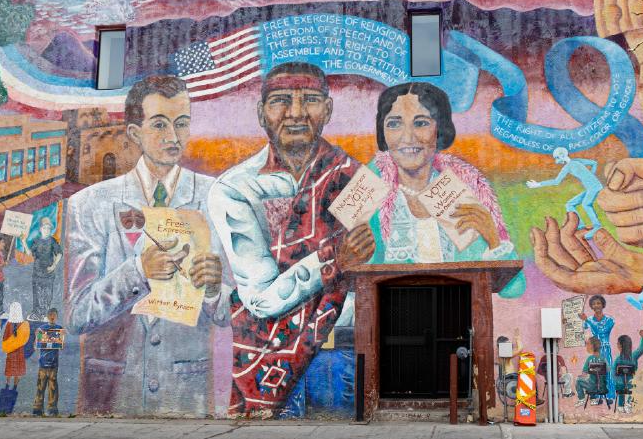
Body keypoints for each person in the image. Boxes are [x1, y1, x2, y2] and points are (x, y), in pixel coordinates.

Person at [208, 62, 375, 418]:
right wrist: (333, 260)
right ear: (261, 112)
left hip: (340, 357)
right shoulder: (235, 188)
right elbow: (260, 299)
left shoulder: (355, 177)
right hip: (267, 365)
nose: (296, 113)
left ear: (327, 110)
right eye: (281, 100)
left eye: (310, 100)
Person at [65, 75, 229, 416]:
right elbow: (77, 316)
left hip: (186, 392)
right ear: (134, 134)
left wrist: (214, 291)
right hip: (111, 393)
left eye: (181, 124)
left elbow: (233, 315)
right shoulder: (90, 204)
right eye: (159, 125)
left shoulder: (217, 198)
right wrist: (138, 271)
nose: (173, 137)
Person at [366, 82, 523, 297]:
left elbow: (513, 290)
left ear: (440, 129)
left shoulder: (461, 189)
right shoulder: (370, 187)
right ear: (382, 132)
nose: (408, 137)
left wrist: (494, 240)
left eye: (421, 123)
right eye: (394, 124)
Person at [526, 147, 603, 238]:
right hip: (591, 186)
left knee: (586, 204)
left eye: (557, 158)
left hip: (594, 186)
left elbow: (556, 181)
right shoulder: (575, 161)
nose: (556, 161)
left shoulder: (568, 166)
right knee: (570, 204)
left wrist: (538, 184)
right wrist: (591, 176)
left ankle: (597, 226)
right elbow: (594, 163)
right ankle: (580, 225)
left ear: (562, 155)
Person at [579, 295, 616, 402]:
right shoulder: (589, 319)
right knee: (594, 372)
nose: (596, 305)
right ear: (591, 306)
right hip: (595, 350)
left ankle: (609, 395)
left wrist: (587, 321)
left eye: (598, 303)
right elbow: (582, 329)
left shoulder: (609, 320)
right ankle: (597, 396)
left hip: (605, 348)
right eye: (594, 304)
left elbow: (602, 331)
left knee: (606, 372)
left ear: (603, 305)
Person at [27, 217, 62, 319]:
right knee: (37, 294)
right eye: (44, 228)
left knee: (47, 294)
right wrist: (24, 242)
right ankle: (37, 314)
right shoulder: (36, 241)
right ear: (40, 229)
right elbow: (30, 253)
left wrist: (54, 265)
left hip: (48, 273)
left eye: (48, 228)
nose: (46, 230)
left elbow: (59, 253)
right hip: (37, 272)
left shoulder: (52, 241)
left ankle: (45, 314)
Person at [33, 308, 64, 416]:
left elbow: (60, 346)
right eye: (50, 314)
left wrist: (61, 336)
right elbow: (36, 345)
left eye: (54, 315)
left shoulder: (59, 329)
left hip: (54, 362)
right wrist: (38, 336)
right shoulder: (42, 329)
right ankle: (37, 408)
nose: (52, 317)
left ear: (57, 316)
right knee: (41, 385)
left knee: (52, 385)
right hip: (43, 362)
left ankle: (52, 408)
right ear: (47, 316)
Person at [1, 301, 30, 389]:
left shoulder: (9, 325)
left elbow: (4, 338)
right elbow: (26, 338)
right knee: (18, 370)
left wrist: (10, 343)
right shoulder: (24, 324)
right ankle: (15, 386)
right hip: (20, 351)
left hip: (10, 351)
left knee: (10, 368)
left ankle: (7, 384)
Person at [613, 332, 643, 409]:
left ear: (620, 346)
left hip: (621, 385)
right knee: (634, 384)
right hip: (632, 385)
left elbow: (614, 372)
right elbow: (641, 349)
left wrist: (620, 382)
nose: (616, 345)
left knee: (620, 385)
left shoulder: (618, 359)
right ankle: (629, 403)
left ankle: (621, 406)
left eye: (618, 343)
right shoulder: (634, 356)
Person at [574, 337, 607, 407]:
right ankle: (593, 399)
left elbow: (584, 374)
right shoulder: (603, 358)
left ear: (592, 346)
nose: (586, 345)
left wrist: (581, 376)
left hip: (592, 387)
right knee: (592, 380)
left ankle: (581, 399)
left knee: (578, 381)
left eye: (588, 344)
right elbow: (608, 370)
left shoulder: (590, 358)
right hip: (602, 387)